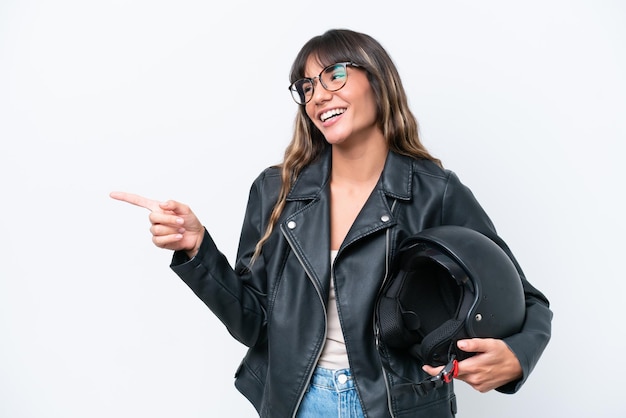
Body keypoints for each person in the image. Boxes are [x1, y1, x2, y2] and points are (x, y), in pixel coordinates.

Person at [110, 28, 552, 418]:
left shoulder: (435, 191)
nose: (318, 94)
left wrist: (517, 355)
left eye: (334, 74)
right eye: (306, 86)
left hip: (399, 406)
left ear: (377, 82)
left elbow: (527, 299)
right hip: (298, 403)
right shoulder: (276, 191)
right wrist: (196, 248)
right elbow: (255, 323)